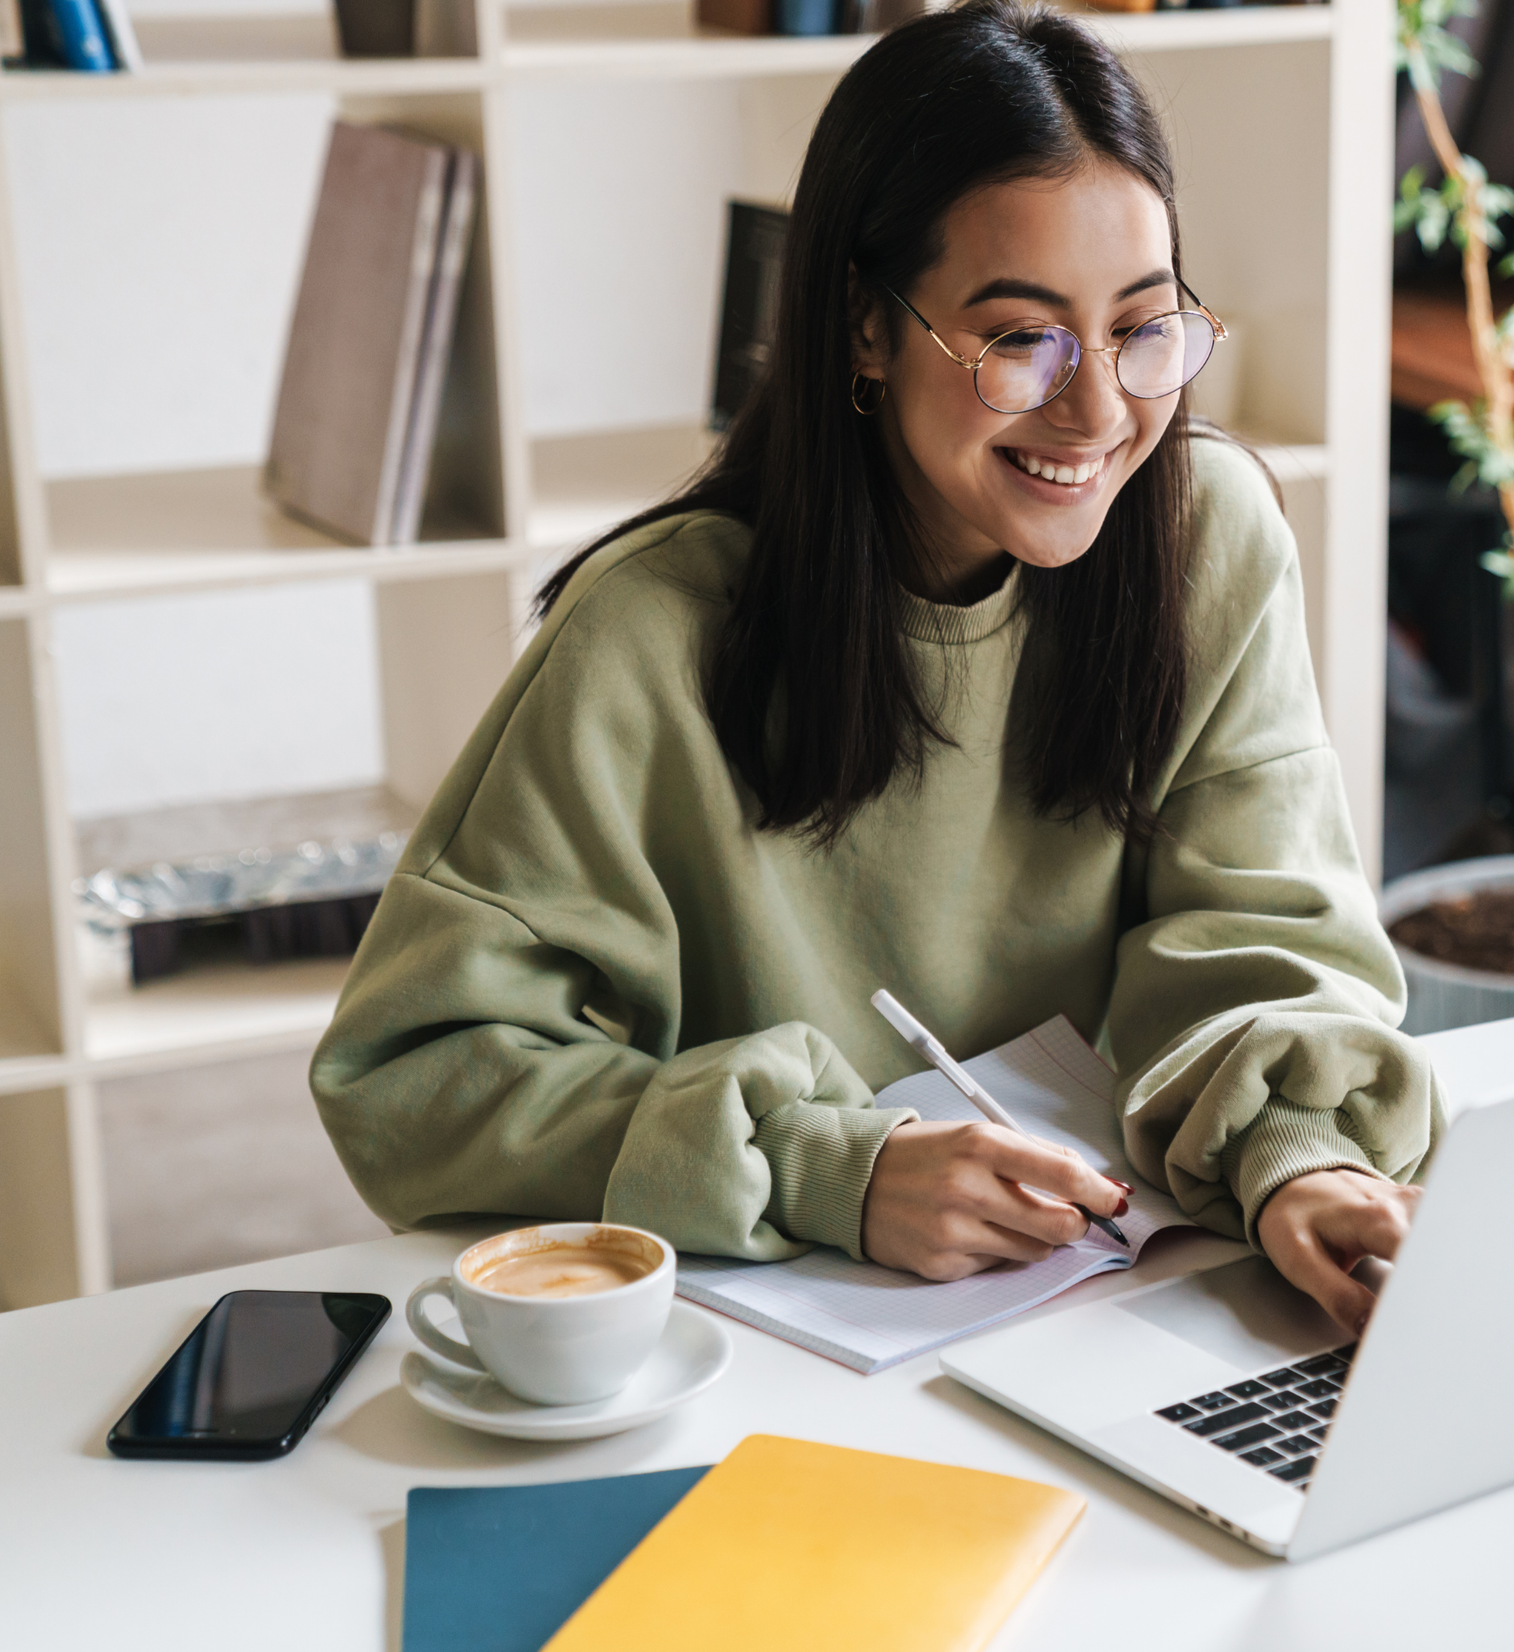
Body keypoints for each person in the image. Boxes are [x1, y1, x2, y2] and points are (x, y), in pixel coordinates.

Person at [310, 0, 1444, 1336]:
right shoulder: (650, 633)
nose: (1099, 412)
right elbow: (413, 1078)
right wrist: (830, 1167)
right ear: (865, 327)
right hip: (773, 1348)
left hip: (1128, 1308)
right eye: (1023, 339)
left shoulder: (1210, 542)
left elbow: (1264, 944)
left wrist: (1299, 1153)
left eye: (1145, 328)